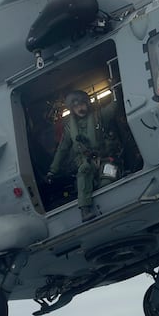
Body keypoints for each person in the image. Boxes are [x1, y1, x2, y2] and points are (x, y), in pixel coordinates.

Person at [46, 89, 123, 221]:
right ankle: (85, 209)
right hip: (85, 161)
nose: (80, 108)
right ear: (72, 109)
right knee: (83, 171)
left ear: (87, 104)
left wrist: (115, 89)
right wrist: (52, 170)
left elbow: (113, 106)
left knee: (107, 181)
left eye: (82, 104)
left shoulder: (99, 117)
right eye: (76, 106)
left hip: (105, 159)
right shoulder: (69, 129)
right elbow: (62, 150)